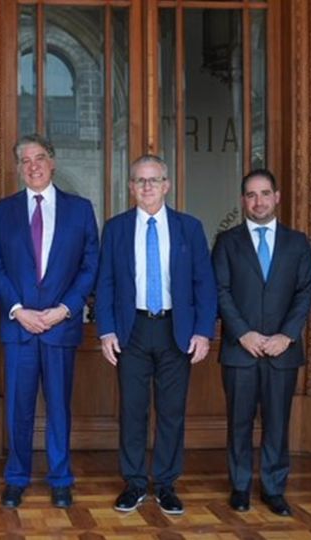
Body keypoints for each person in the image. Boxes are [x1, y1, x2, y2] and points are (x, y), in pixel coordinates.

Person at [95, 154, 216, 516]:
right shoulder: (115, 228)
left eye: (154, 180)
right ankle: (134, 483)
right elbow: (105, 282)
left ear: (167, 185)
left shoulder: (189, 227)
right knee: (132, 410)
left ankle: (165, 484)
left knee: (171, 411)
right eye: (140, 180)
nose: (147, 186)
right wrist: (106, 330)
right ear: (131, 187)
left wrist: (203, 332)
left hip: (175, 329)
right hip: (130, 329)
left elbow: (204, 283)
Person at [0, 134, 99, 509]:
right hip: (19, 327)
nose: (32, 166)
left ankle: (60, 478)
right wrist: (18, 310)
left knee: (59, 409)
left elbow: (90, 265)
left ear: (52, 162)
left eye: (39, 158)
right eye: (25, 160)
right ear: (18, 168)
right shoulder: (4, 210)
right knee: (18, 408)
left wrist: (65, 309)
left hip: (60, 327)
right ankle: (16, 478)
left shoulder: (79, 209)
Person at [211, 169, 311, 516]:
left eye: (265, 193)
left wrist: (286, 335)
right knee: (239, 422)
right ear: (243, 200)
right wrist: (243, 333)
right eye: (252, 195)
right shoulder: (227, 242)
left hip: (283, 351)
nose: (259, 201)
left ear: (277, 197)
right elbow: (220, 291)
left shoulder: (297, 242)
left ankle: (273, 487)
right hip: (240, 350)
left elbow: (304, 292)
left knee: (277, 423)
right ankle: (240, 486)